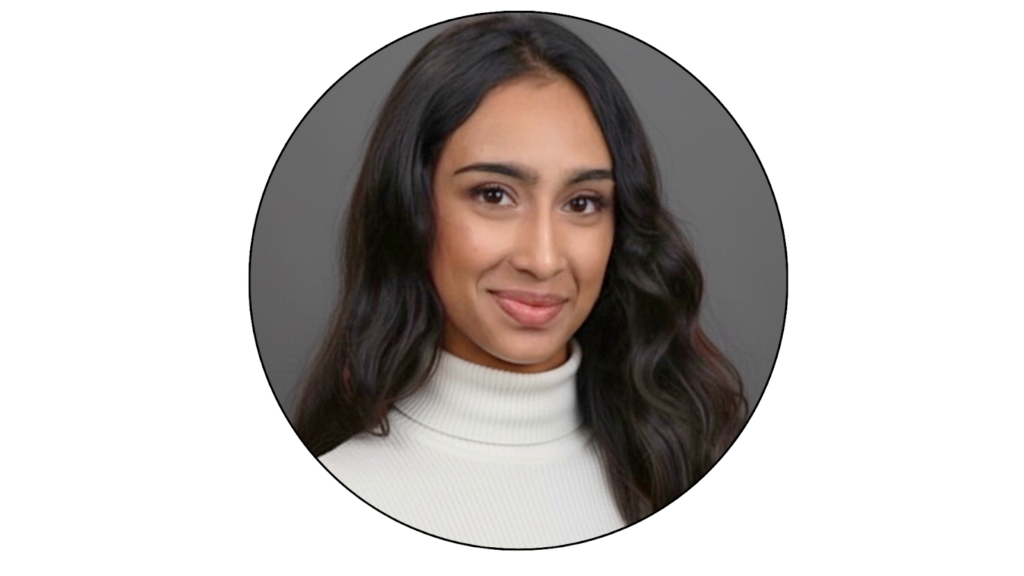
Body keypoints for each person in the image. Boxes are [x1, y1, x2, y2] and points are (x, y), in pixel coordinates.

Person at [293, 13, 748, 548]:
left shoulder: (690, 469)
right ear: (412, 207)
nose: (543, 258)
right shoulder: (336, 493)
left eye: (582, 203)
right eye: (494, 195)